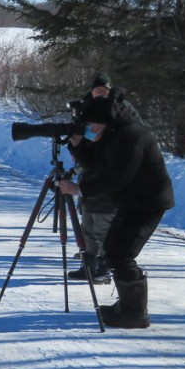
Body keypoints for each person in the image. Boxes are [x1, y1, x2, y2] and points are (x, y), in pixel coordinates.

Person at [59, 73, 175, 328]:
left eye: (91, 127)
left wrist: (79, 189)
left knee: (121, 254)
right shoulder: (112, 133)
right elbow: (96, 166)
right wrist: (78, 146)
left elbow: (116, 178)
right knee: (113, 251)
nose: (89, 131)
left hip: (148, 201)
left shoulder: (132, 134)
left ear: (103, 122)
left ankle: (135, 314)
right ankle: (127, 306)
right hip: (131, 200)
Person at [67, 74, 117, 285]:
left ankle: (105, 267)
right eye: (98, 91)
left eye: (105, 91)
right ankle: (88, 265)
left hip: (107, 174)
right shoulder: (85, 110)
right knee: (87, 223)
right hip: (88, 168)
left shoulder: (115, 111)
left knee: (105, 225)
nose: (101, 95)